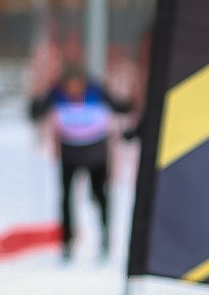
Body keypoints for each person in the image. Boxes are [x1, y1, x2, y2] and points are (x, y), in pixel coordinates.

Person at [30, 62, 133, 259]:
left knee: (99, 195)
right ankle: (67, 242)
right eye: (70, 84)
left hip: (96, 154)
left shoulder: (97, 92)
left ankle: (105, 238)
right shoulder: (56, 94)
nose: (73, 88)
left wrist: (130, 104)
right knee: (66, 198)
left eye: (77, 83)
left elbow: (121, 108)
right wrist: (36, 102)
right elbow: (36, 113)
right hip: (69, 154)